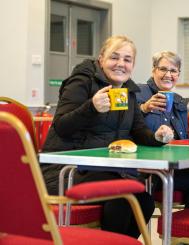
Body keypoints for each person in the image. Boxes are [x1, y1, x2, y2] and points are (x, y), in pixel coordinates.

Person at [40, 35, 173, 238]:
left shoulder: (128, 92)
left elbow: (139, 132)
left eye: (127, 60)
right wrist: (91, 107)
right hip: (64, 172)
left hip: (102, 170)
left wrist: (158, 137)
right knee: (121, 198)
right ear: (101, 59)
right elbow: (61, 126)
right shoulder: (81, 82)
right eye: (114, 57)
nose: (120, 64)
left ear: (133, 65)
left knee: (145, 202)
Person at [136, 51, 189, 208]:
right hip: (149, 170)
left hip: (176, 166)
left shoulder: (178, 100)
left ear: (178, 74)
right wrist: (144, 108)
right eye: (163, 69)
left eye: (173, 71)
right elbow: (125, 117)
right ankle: (188, 230)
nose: (168, 75)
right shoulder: (139, 93)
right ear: (154, 70)